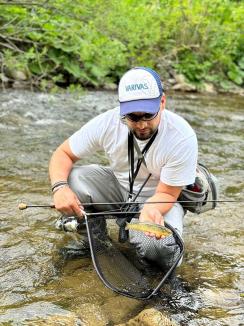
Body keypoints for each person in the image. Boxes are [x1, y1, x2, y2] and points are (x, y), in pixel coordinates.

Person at [49, 67, 198, 269]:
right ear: (121, 110)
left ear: (162, 103)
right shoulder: (107, 123)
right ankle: (96, 242)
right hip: (119, 190)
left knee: (159, 248)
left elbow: (167, 194)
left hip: (160, 199)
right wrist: (59, 188)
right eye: (133, 117)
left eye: (148, 115)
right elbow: (63, 154)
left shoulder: (182, 137)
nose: (142, 124)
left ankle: (155, 255)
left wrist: (151, 210)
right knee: (72, 179)